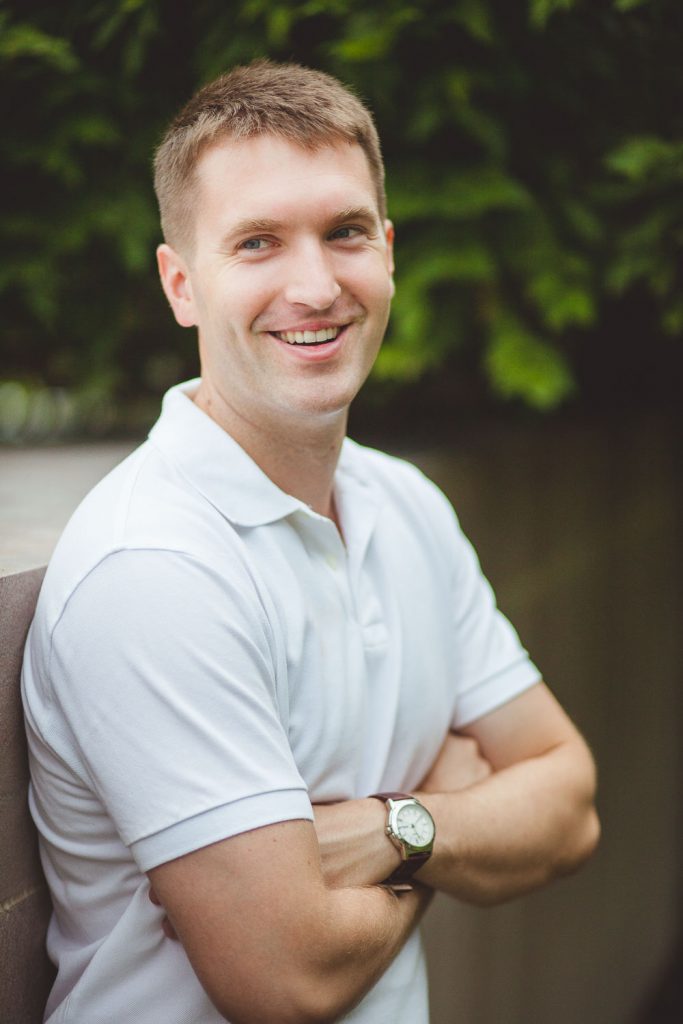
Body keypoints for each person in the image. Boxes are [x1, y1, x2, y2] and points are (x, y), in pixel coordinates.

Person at [21, 60, 599, 1024]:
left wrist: (391, 830)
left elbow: (569, 804)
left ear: (389, 252)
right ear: (182, 285)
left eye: (345, 233)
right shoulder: (156, 566)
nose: (315, 284)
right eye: (256, 243)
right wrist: (452, 815)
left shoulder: (402, 503)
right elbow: (287, 979)